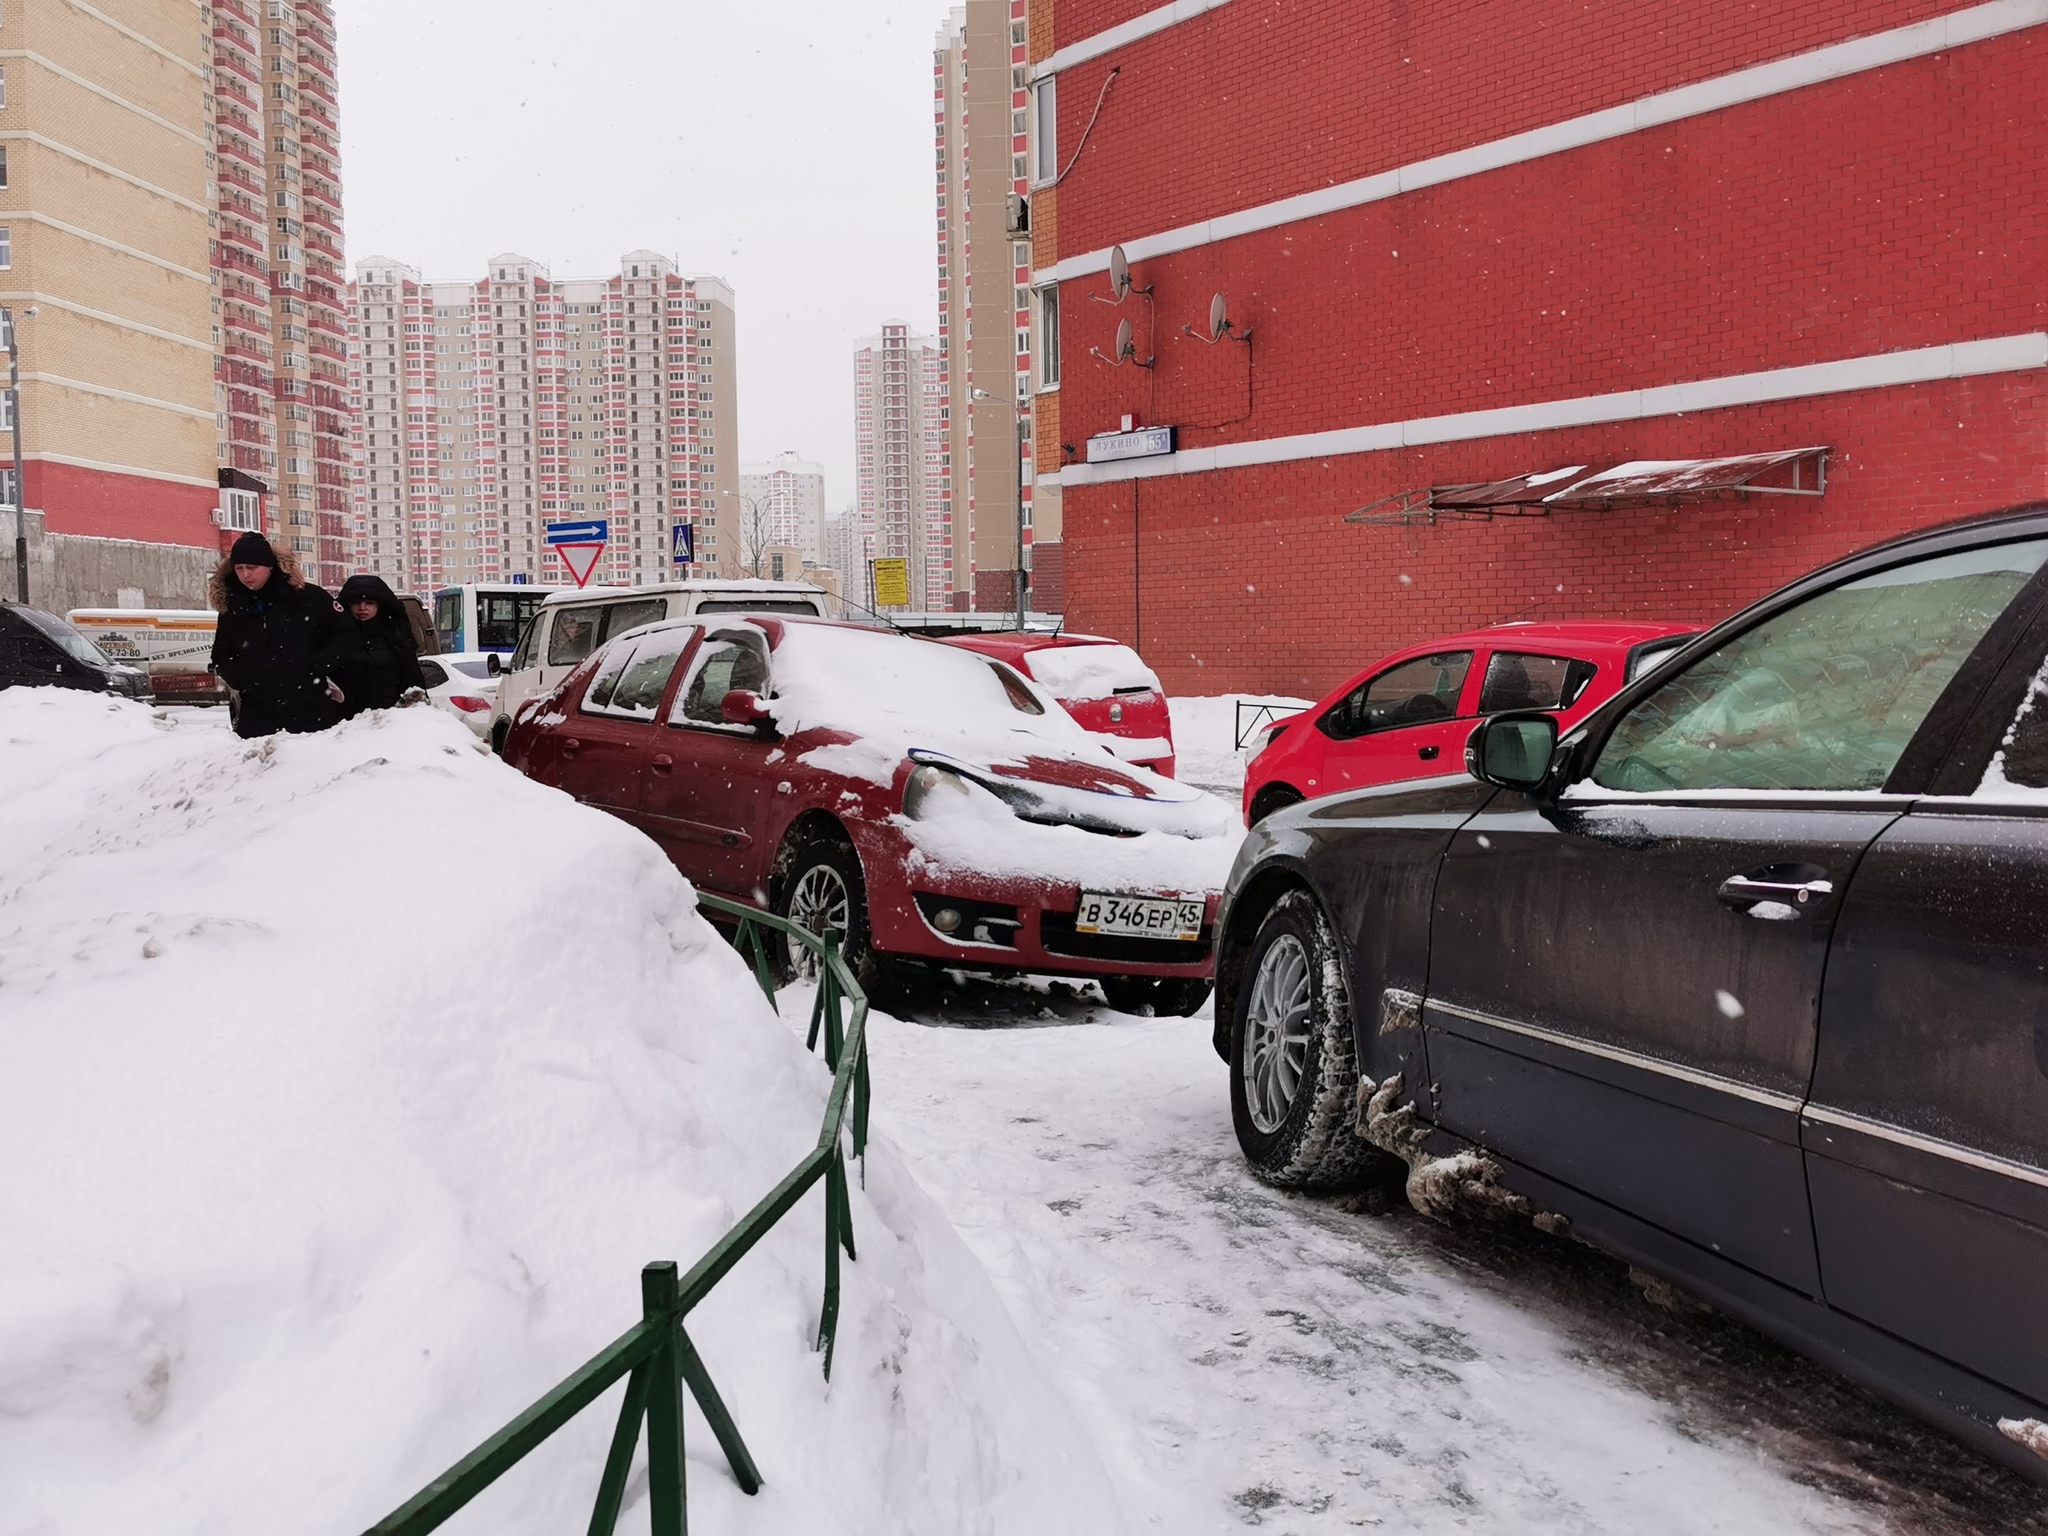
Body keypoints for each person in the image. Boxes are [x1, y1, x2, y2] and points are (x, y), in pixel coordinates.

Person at [207, 532, 345, 739]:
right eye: (239, 568)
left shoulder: (308, 598)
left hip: (310, 706)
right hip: (258, 710)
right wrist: (243, 679)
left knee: (313, 766)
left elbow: (343, 636)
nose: (245, 575)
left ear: (270, 567)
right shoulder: (232, 607)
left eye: (252, 568)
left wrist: (315, 666)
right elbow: (222, 654)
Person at [322, 574, 427, 716]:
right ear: (348, 605)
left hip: (389, 718)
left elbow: (412, 677)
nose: (362, 608)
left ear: (379, 605)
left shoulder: (394, 636)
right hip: (346, 721)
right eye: (356, 603)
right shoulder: (335, 636)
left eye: (369, 603)